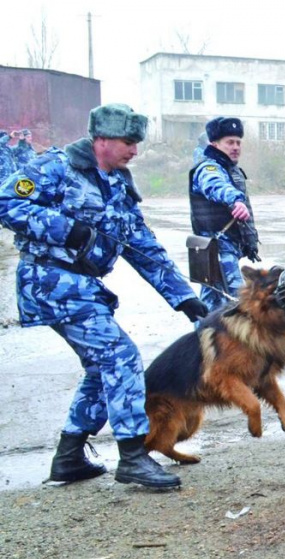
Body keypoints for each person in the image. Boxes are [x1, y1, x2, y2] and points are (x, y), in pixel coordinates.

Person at [0, 103, 209, 489]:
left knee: (101, 367)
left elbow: (142, 246)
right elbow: (6, 201)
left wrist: (183, 298)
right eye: (128, 142)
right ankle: (132, 455)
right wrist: (65, 229)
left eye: (136, 143)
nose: (134, 150)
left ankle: (69, 458)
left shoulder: (117, 184)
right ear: (102, 140)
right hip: (51, 282)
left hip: (85, 287)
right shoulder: (55, 168)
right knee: (120, 355)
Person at [190, 116, 261, 313]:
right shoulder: (209, 168)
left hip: (221, 250)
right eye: (230, 142)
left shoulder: (229, 168)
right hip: (217, 250)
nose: (236, 147)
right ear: (214, 144)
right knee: (238, 306)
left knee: (212, 305)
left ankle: (202, 340)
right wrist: (235, 200)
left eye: (238, 142)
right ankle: (233, 343)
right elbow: (215, 184)